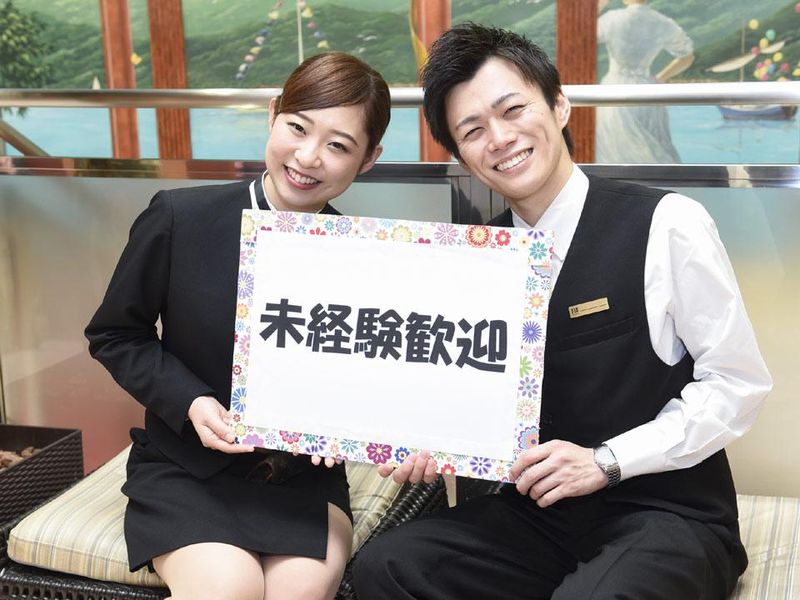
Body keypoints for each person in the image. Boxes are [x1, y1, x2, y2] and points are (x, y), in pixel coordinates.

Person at [352, 23, 771, 600]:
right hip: (540, 518)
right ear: (461, 155)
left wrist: (607, 461)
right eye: (473, 130)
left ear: (559, 104)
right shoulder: (479, 259)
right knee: (390, 567)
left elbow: (737, 383)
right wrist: (431, 444)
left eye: (513, 110)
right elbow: (473, 403)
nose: (500, 138)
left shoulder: (667, 222)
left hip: (665, 513)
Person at [85, 52, 389, 600]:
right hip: (185, 467)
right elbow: (115, 335)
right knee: (229, 588)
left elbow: (368, 374)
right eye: (298, 128)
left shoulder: (366, 256)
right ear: (273, 115)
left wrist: (350, 424)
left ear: (369, 159)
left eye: (339, 145)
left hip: (304, 477)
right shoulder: (180, 217)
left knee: (299, 592)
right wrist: (192, 401)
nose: (308, 157)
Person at [596, 0, 695, 163]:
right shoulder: (662, 22)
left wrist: (599, 5)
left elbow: (582, 36)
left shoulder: (613, 19)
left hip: (615, 88)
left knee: (614, 149)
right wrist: (660, 78)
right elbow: (687, 57)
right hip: (647, 90)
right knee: (652, 150)